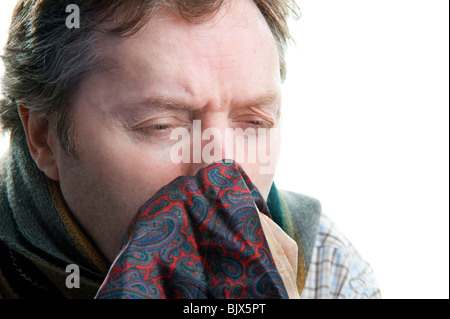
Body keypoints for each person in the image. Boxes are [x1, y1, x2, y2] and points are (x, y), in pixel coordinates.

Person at [0, 0, 380, 299]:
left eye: (253, 123)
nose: (217, 169)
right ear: (43, 136)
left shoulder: (330, 271)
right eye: (161, 126)